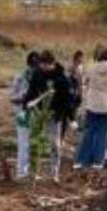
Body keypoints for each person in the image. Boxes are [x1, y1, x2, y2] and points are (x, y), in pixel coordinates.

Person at [23, 50, 76, 181]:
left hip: (54, 115)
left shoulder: (62, 78)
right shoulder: (37, 73)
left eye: (45, 65)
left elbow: (67, 100)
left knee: (54, 144)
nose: (42, 67)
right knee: (36, 142)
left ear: (52, 63)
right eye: (41, 65)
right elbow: (31, 91)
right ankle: (34, 172)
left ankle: (54, 173)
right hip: (39, 113)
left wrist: (72, 118)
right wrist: (26, 104)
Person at [75, 44, 107, 171]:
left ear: (96, 56)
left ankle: (80, 161)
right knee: (102, 135)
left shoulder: (90, 68)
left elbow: (81, 74)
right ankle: (98, 162)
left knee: (88, 133)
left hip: (92, 105)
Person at [8, 51, 39, 181]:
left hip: (34, 113)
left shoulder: (38, 76)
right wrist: (22, 98)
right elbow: (11, 96)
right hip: (24, 112)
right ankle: (22, 172)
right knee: (25, 142)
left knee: (31, 142)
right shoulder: (21, 75)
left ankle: (29, 171)